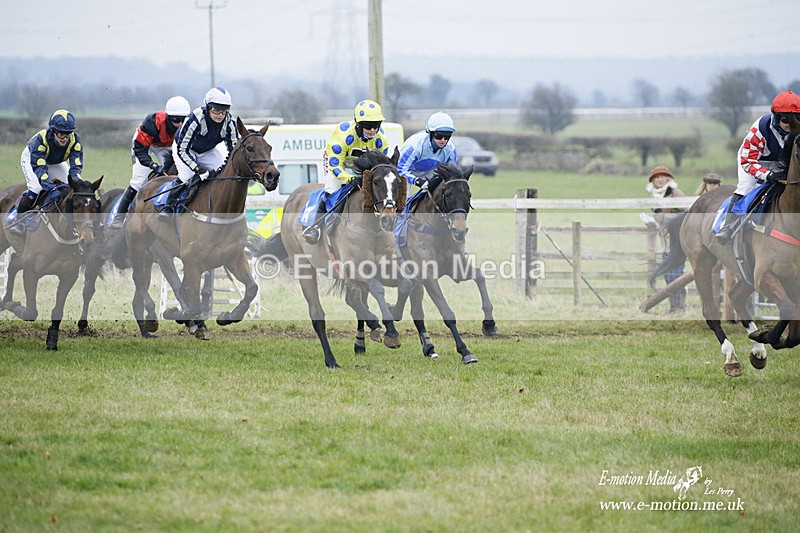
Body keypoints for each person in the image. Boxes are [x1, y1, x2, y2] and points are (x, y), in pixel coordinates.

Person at [715, 89, 800, 244]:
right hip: (754, 160)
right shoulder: (760, 129)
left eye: (797, 118)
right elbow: (748, 161)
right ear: (777, 117)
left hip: (783, 163)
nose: (791, 125)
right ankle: (727, 226)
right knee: (746, 187)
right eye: (787, 119)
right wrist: (768, 175)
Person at [301, 99, 390, 244]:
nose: (372, 130)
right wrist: (348, 179)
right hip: (337, 162)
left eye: (376, 125)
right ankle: (315, 227)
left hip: (361, 166)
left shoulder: (381, 140)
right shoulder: (344, 136)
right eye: (368, 126)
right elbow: (335, 164)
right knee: (332, 190)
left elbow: (380, 167)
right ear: (358, 124)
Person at [108, 96, 191, 229]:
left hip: (166, 147)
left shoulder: (188, 126)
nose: (180, 124)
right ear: (169, 117)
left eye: (183, 119)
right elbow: (140, 150)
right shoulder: (152, 122)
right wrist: (152, 165)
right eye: (176, 120)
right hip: (144, 145)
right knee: (138, 180)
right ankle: (118, 218)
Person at [159, 87, 239, 219]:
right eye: (216, 110)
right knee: (187, 177)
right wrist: (198, 169)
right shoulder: (196, 118)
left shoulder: (229, 122)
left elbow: (233, 150)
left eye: (224, 111)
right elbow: (182, 150)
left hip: (207, 151)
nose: (220, 115)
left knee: (222, 174)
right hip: (184, 149)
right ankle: (168, 207)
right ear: (207, 108)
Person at [647, 165, 686, 313]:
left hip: (678, 243)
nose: (660, 179)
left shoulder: (675, 194)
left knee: (676, 277)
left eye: (663, 176)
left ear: (668, 178)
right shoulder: (654, 196)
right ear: (653, 180)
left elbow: (687, 214)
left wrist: (669, 219)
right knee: (669, 277)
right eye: (657, 177)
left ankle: (679, 307)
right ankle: (674, 307)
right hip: (665, 243)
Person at [397, 111, 457, 189]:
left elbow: (451, 174)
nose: (443, 140)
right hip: (408, 170)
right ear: (430, 134)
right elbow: (401, 170)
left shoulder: (450, 150)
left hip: (430, 171)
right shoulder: (414, 146)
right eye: (439, 135)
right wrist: (417, 181)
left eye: (447, 136)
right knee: (402, 196)